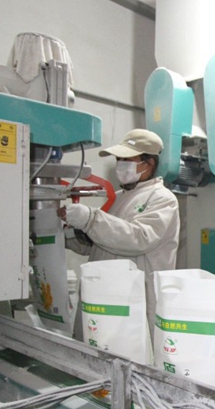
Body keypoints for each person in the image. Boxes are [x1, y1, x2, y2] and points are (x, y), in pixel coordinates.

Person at [60, 128, 180, 327]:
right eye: (119, 159)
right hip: (105, 293)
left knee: (130, 343)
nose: (120, 165)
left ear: (149, 163)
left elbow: (139, 239)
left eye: (127, 160)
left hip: (135, 298)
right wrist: (66, 234)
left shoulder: (161, 198)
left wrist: (90, 219)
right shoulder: (118, 197)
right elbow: (98, 244)